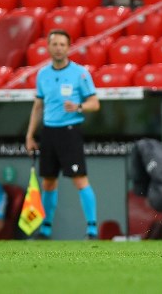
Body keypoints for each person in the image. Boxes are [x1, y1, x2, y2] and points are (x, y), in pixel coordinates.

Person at [25, 29, 100, 240]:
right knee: (48, 181)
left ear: (68, 48)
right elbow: (38, 106)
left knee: (79, 179)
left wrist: (78, 107)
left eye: (62, 44)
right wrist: (30, 135)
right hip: (48, 132)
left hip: (70, 132)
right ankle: (46, 229)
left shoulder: (80, 73)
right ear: (48, 47)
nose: (58, 48)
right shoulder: (42, 74)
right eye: (54, 44)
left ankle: (92, 229)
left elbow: (95, 103)